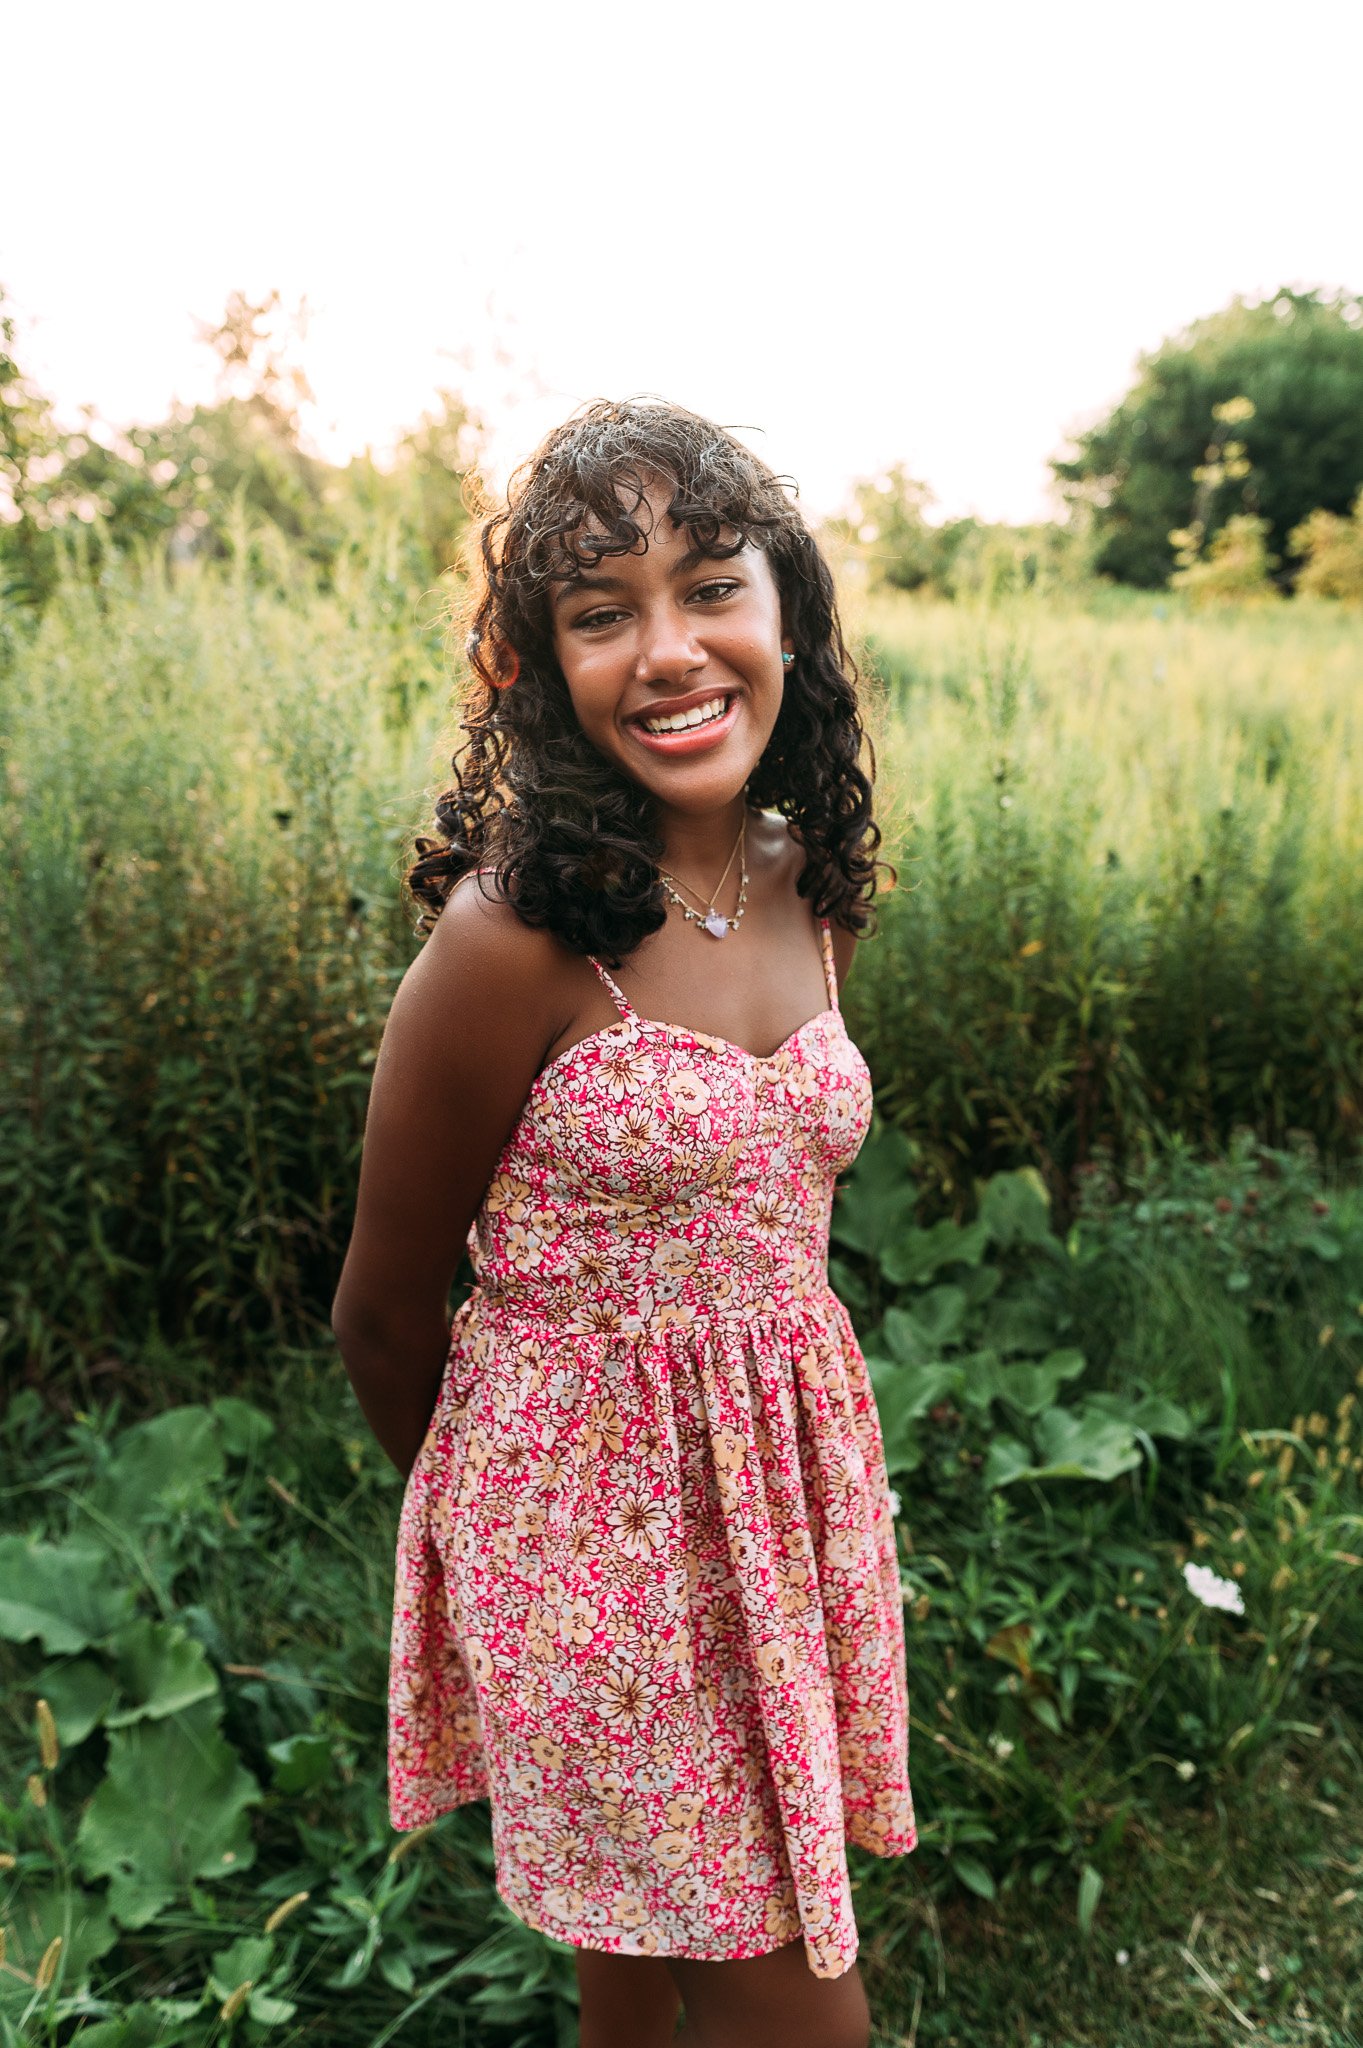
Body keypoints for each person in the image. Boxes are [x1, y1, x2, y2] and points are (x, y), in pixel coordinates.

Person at [331, 398, 917, 2048]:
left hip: (785, 1507)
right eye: (603, 614)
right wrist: (515, 1541)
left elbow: (772, 1194)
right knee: (805, 2016)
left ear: (787, 613)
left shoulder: (816, 881)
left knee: (638, 1990)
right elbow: (381, 1313)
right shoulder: (509, 940)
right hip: (585, 1561)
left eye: (712, 587)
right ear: (541, 671)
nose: (669, 651)